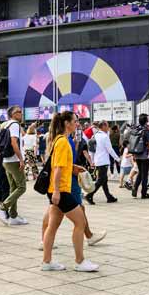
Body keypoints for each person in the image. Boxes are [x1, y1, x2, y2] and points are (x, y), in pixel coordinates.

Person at [41, 112, 99, 272]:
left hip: (56, 189)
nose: (77, 124)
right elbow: (57, 168)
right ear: (67, 123)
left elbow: (60, 166)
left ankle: (47, 262)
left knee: (52, 226)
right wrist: (58, 192)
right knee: (80, 222)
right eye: (75, 121)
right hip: (61, 190)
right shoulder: (63, 142)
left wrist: (73, 168)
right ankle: (80, 261)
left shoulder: (58, 140)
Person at [0, 106, 29, 225]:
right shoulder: (15, 124)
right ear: (12, 114)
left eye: (21, 111)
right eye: (18, 112)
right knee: (22, 187)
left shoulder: (5, 124)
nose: (21, 114)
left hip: (6, 160)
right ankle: (2, 208)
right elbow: (13, 143)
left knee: (13, 187)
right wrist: (21, 159)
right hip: (14, 160)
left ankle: (13, 215)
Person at [86, 121, 119, 204]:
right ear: (103, 126)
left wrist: (92, 161)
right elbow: (110, 149)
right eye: (107, 126)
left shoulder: (95, 135)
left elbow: (91, 150)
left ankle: (109, 197)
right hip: (103, 161)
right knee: (101, 180)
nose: (108, 128)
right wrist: (117, 158)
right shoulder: (104, 136)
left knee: (104, 180)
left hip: (98, 161)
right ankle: (89, 195)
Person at [128, 114, 149, 198]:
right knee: (145, 175)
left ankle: (134, 189)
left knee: (140, 172)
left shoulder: (136, 129)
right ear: (146, 121)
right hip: (144, 155)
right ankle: (144, 193)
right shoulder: (146, 130)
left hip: (137, 154)